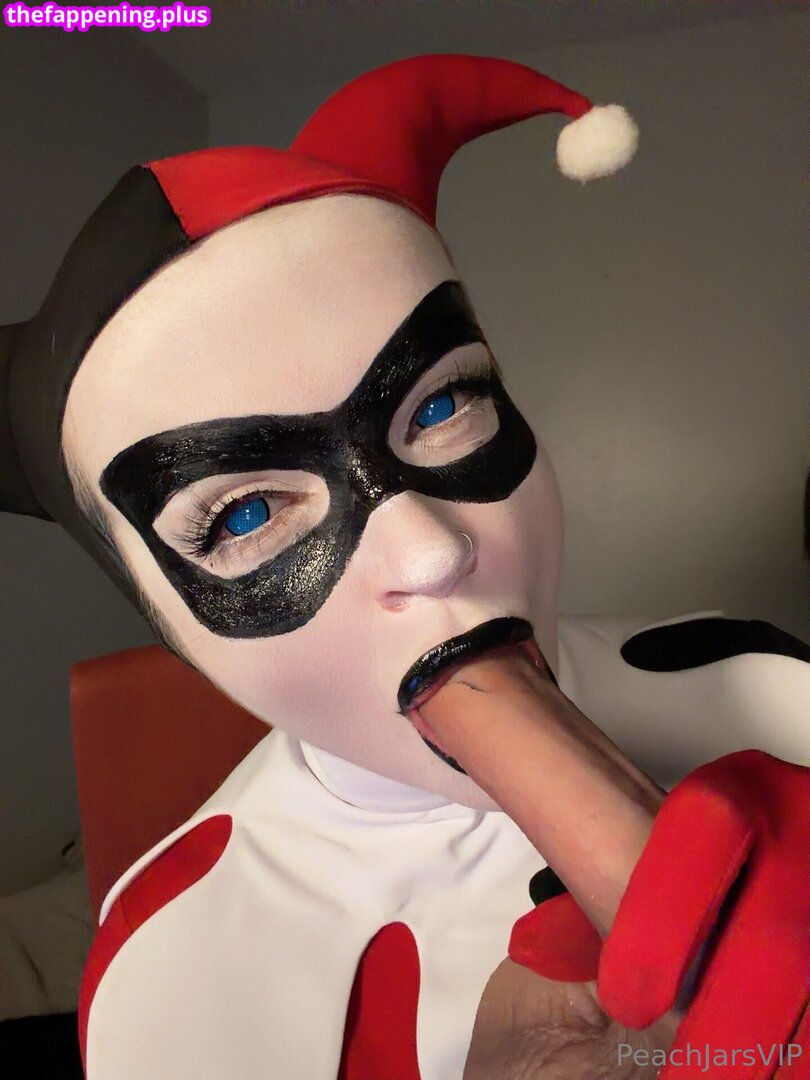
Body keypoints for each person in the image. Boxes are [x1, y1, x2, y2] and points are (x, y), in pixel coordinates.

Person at [1, 55, 808, 1079]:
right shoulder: (168, 985)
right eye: (245, 511)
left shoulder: (773, 685)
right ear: (164, 617)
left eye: (442, 404)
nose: (433, 550)